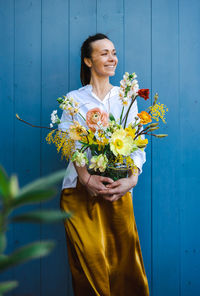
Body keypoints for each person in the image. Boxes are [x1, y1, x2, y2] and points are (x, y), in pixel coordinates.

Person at [59, 33, 150, 296]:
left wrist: (132, 180)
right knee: (88, 267)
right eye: (104, 53)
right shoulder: (74, 99)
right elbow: (70, 144)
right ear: (88, 61)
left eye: (113, 52)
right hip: (79, 192)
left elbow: (138, 143)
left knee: (124, 267)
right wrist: (86, 179)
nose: (112, 58)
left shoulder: (126, 98)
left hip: (117, 192)